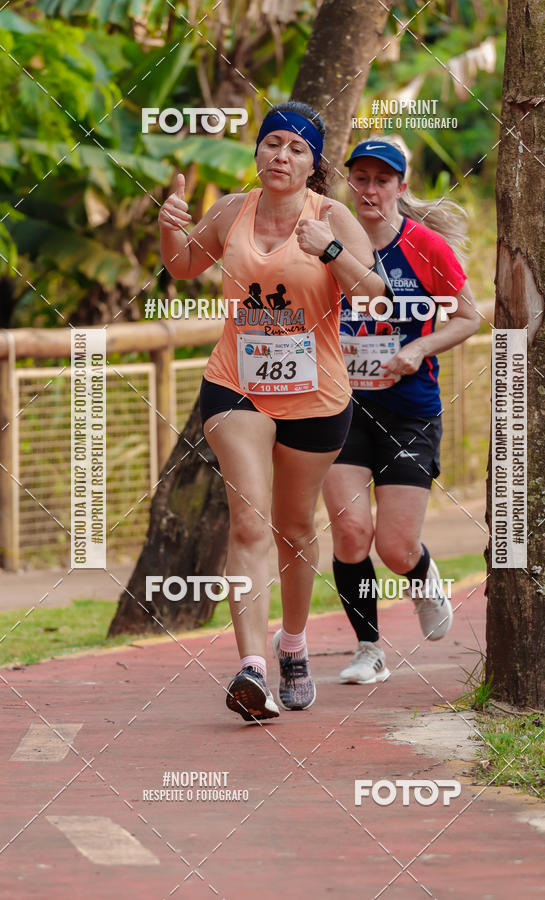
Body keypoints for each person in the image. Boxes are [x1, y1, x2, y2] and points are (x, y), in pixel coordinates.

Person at [159, 102, 386, 721]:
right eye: (271, 143)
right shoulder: (231, 210)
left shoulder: (332, 215)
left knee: (292, 527)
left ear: (313, 165)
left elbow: (374, 293)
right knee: (248, 522)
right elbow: (181, 266)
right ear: (256, 151)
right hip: (237, 386)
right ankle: (251, 668)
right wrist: (169, 225)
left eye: (296, 148)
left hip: (316, 396)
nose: (280, 156)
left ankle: (293, 644)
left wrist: (332, 250)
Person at [322, 136, 480, 684]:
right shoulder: (323, 243)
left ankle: (423, 573)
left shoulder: (424, 246)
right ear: (349, 183)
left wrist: (416, 349)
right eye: (360, 178)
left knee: (393, 547)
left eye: (381, 180)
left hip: (409, 411)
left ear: (400, 187)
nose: (369, 190)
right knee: (348, 533)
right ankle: (369, 649)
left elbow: (467, 317)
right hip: (338, 408)